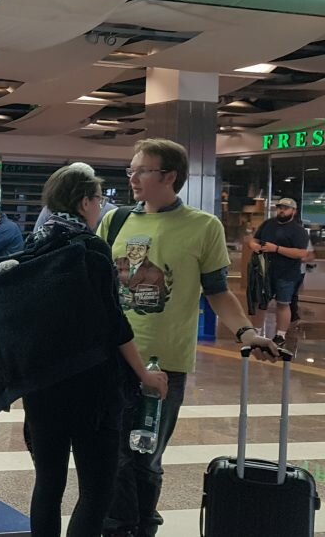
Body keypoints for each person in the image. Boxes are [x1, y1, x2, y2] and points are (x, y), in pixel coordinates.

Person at [0, 163, 168, 537]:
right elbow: (114, 325)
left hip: (43, 388)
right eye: (99, 198)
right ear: (84, 201)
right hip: (92, 391)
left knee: (49, 483)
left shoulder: (36, 245)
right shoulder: (90, 249)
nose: (101, 205)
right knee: (97, 488)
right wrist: (144, 374)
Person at [99, 139, 280, 537]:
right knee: (112, 456)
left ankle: (142, 524)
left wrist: (247, 331)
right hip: (112, 357)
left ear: (169, 176)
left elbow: (218, 291)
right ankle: (119, 528)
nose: (131, 178)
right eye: (130, 169)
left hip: (164, 362)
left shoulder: (203, 226)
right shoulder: (115, 222)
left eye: (140, 170)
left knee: (145, 456)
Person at [248, 197, 311, 347]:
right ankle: (255, 332)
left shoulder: (298, 231)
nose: (282, 210)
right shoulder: (268, 224)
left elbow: (302, 253)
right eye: (280, 207)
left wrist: (276, 249)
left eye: (286, 208)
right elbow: (254, 239)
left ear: (293, 211)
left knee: (283, 303)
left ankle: (280, 335)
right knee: (260, 302)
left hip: (287, 273)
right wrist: (253, 245)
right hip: (265, 272)